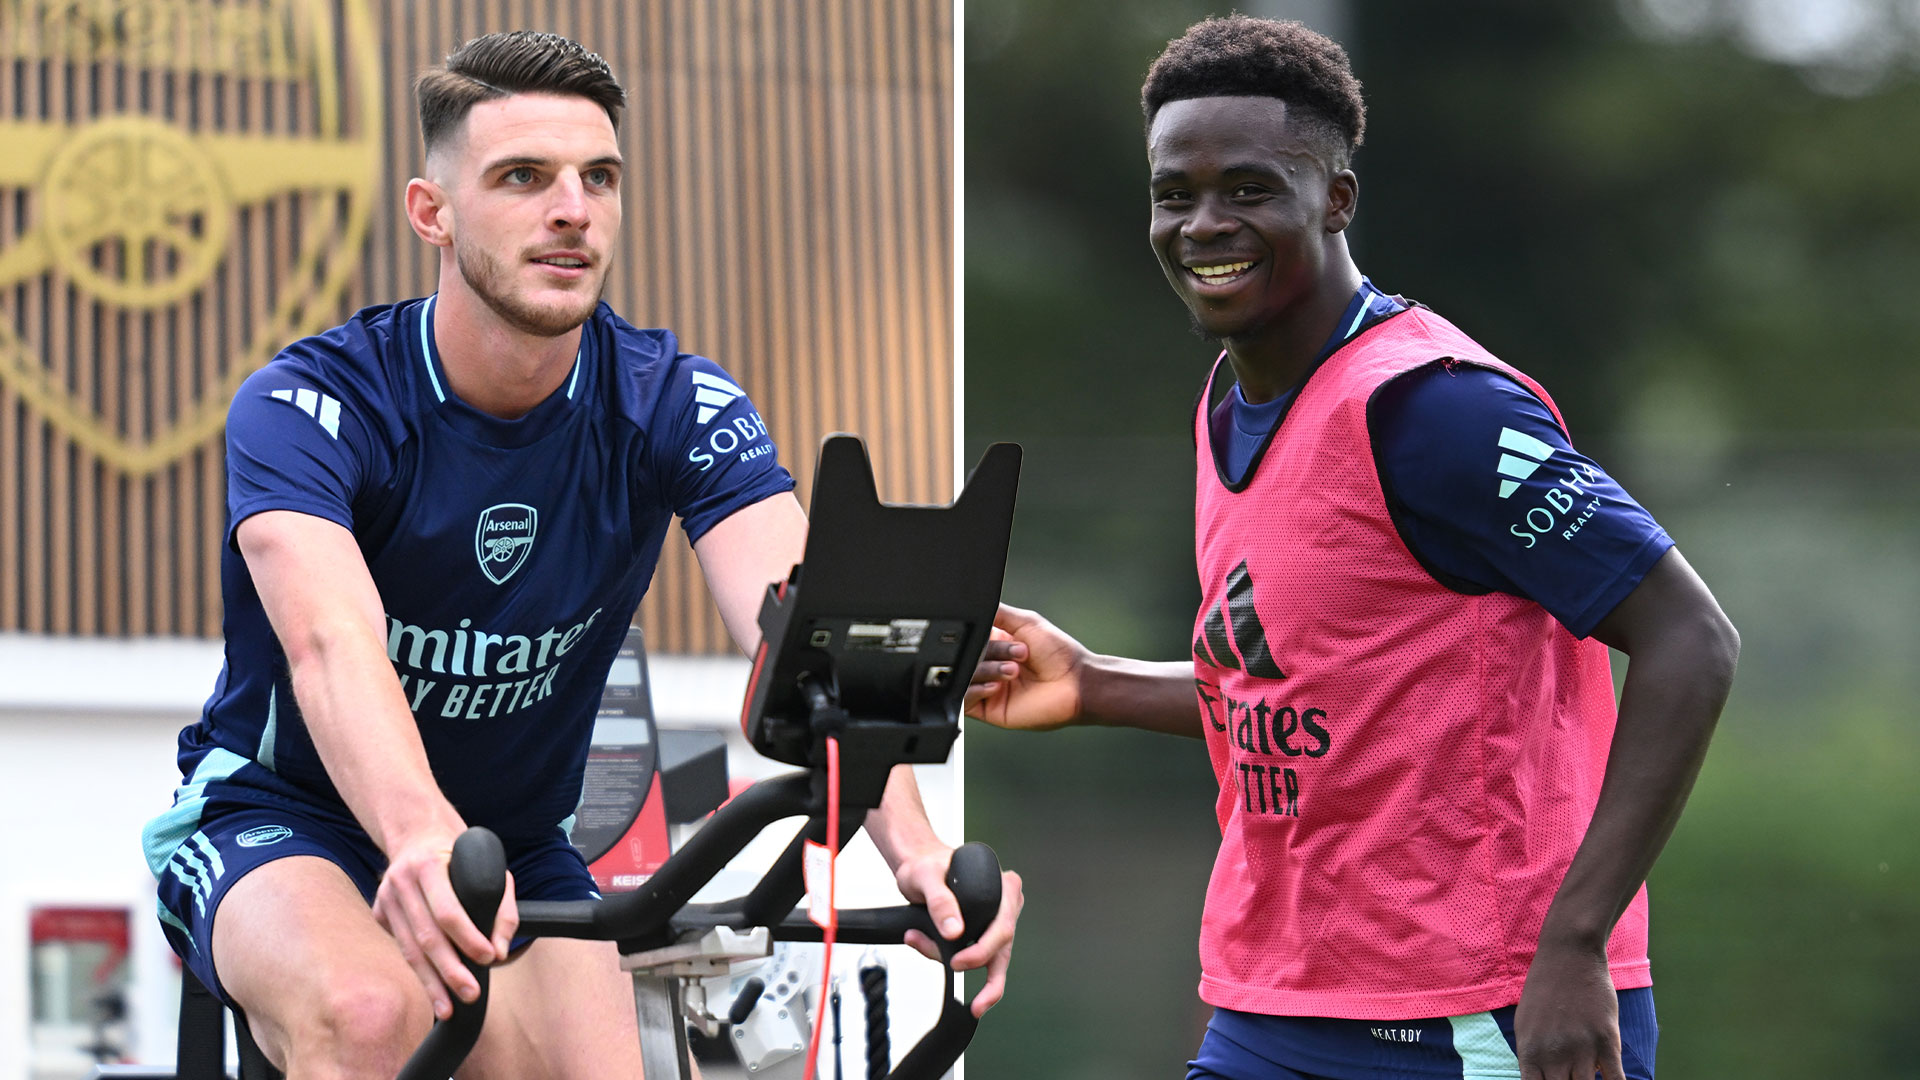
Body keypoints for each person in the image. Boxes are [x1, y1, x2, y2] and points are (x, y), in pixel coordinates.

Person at [142, 31, 1020, 1079]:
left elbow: (804, 630)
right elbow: (334, 643)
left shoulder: (669, 401)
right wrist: (421, 837)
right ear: (434, 212)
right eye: (522, 178)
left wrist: (915, 854)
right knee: (372, 1012)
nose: (573, 209)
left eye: (598, 178)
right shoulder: (314, 404)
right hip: (283, 817)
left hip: (513, 841)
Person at [965, 16, 1736, 1080]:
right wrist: (1097, 684)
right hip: (1275, 1003)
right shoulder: (1231, 401)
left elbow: (1691, 638)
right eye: (1173, 192)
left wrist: (1573, 943)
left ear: (1335, 199)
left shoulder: (1438, 412)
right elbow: (1330, 697)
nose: (1203, 223)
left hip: (1476, 1015)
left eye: (1247, 188)